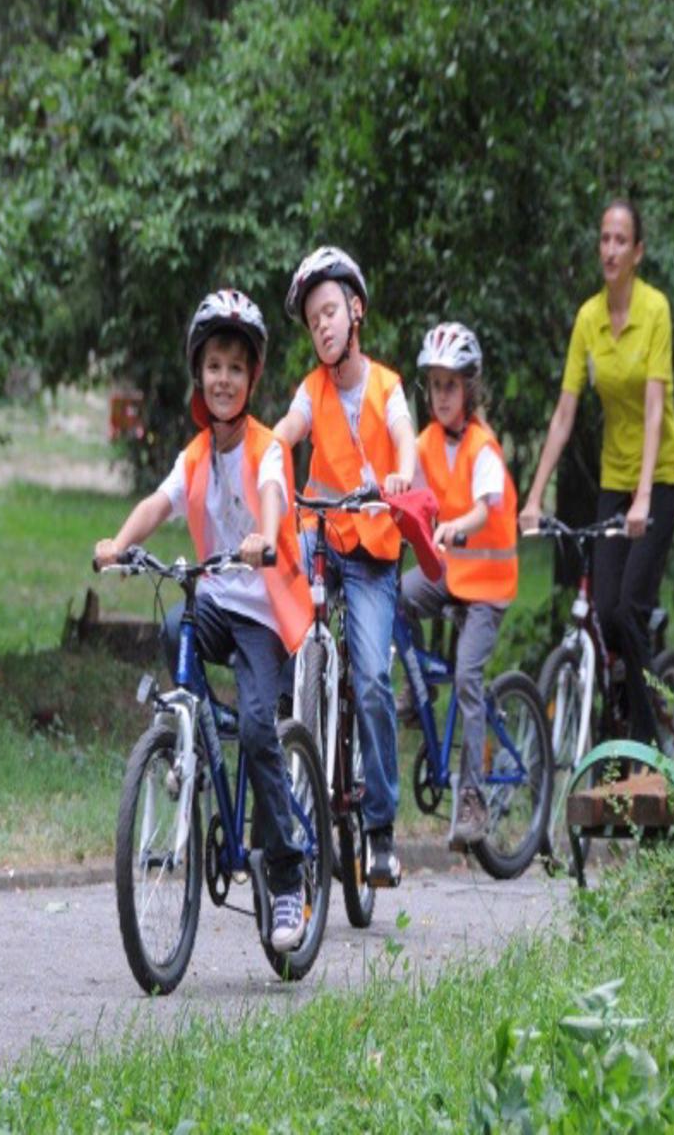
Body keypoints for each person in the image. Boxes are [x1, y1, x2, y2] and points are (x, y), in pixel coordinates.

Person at [94, 289, 313, 954]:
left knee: (259, 727)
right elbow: (157, 504)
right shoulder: (194, 455)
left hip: (263, 615)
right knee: (173, 628)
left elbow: (271, 494)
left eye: (235, 368)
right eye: (214, 366)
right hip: (216, 603)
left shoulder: (267, 448)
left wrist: (264, 536)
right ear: (199, 373)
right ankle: (194, 740)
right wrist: (117, 543)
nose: (223, 379)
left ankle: (286, 876)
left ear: (252, 379)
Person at [519, 199, 674, 746]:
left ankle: (648, 741)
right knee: (603, 613)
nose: (610, 250)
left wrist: (644, 497)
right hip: (615, 478)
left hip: (659, 478)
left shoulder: (655, 309)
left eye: (621, 241)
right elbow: (564, 414)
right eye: (604, 239)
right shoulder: (589, 318)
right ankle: (613, 719)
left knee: (627, 609)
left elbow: (656, 407)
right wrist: (534, 497)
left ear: (637, 252)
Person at [273, 246, 416, 887]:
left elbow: (404, 435)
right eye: (312, 321)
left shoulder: (386, 386)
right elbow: (289, 427)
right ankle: (290, 728)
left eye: (330, 312)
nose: (322, 326)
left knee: (375, 682)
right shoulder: (312, 389)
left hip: (372, 556)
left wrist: (401, 474)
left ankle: (379, 829)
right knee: (274, 613)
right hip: (320, 539)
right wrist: (269, 452)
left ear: (355, 310)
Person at [398, 324, 518, 849]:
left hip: (487, 583)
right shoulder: (425, 443)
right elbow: (413, 493)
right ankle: (416, 686)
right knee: (397, 597)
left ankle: (472, 797)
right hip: (450, 574)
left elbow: (484, 508)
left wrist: (454, 526)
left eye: (451, 385)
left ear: (469, 389)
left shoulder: (482, 447)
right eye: (435, 385)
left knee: (468, 678)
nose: (442, 395)